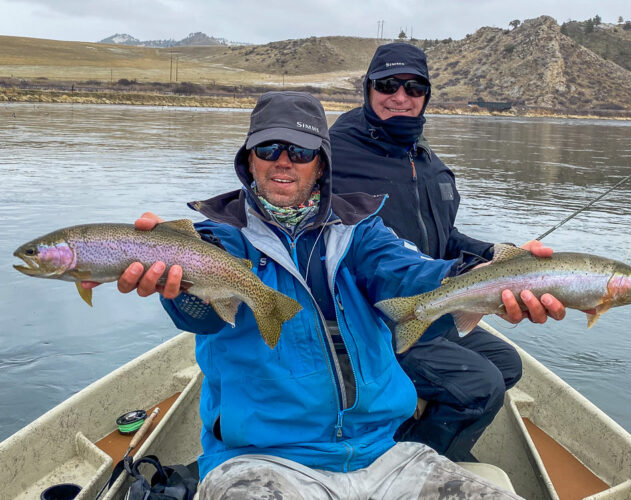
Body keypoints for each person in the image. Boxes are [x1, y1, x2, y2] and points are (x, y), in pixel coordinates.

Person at [86, 91, 523, 499]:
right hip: (260, 460)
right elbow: (201, 317)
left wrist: (478, 278)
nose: (283, 162)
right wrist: (176, 288)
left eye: (300, 151)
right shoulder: (218, 238)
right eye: (268, 149)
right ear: (248, 159)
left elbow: (410, 274)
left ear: (321, 163)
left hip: (382, 453)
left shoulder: (363, 230)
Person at [329, 43, 566, 461]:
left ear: (426, 96)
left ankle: (415, 439)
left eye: (413, 87)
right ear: (366, 89)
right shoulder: (333, 155)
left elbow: (445, 235)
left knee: (507, 365)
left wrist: (499, 255)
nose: (400, 97)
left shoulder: (427, 161)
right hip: (367, 319)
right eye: (386, 85)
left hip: (432, 303)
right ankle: (399, 467)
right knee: (480, 387)